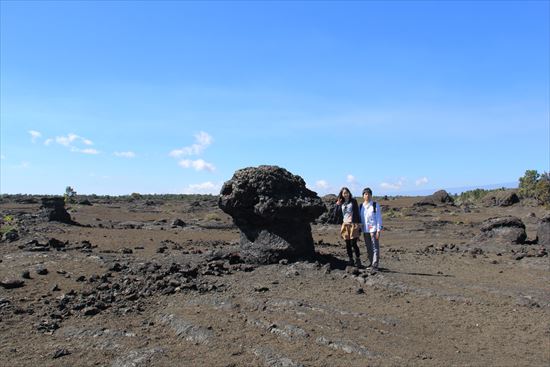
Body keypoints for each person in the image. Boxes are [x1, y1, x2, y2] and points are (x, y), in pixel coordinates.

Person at [330, 187, 362, 267]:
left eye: (347, 192)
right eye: (344, 193)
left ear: (349, 193)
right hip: (345, 224)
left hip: (353, 224)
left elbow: (357, 213)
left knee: (353, 243)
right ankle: (351, 260)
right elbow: (336, 214)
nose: (345, 194)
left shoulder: (353, 201)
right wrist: (337, 205)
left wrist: (359, 225)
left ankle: (358, 260)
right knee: (347, 244)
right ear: (342, 194)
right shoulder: (341, 203)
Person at [360, 187, 383, 270]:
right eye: (365, 194)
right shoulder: (361, 206)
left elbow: (378, 218)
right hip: (365, 230)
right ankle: (371, 263)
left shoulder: (374, 205)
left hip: (373, 229)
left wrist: (378, 230)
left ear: (371, 195)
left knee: (375, 247)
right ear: (363, 195)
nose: (367, 196)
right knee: (368, 247)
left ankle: (375, 265)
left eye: (369, 194)